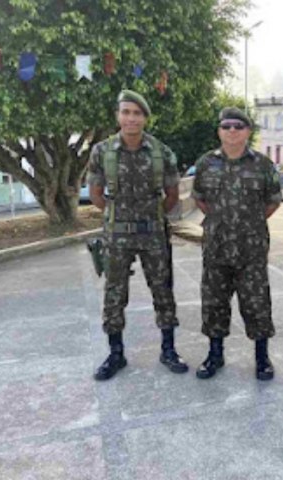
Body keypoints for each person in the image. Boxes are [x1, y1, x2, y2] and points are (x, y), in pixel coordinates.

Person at [88, 90, 188, 381]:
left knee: (163, 290)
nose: (131, 118)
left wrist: (147, 218)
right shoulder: (101, 152)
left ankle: (168, 350)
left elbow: (171, 196)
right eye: (126, 112)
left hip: (153, 234)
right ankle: (115, 353)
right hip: (117, 237)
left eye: (137, 113)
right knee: (114, 293)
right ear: (118, 115)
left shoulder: (161, 152)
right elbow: (95, 195)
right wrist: (119, 218)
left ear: (145, 117)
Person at [192, 107, 283, 381]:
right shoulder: (206, 163)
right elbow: (199, 198)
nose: (232, 131)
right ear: (219, 131)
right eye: (227, 126)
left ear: (248, 131)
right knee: (214, 302)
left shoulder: (263, 165)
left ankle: (262, 358)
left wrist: (249, 222)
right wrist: (220, 220)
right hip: (216, 247)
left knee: (256, 303)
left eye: (238, 126)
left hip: (251, 250)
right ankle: (215, 355)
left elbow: (273, 201)